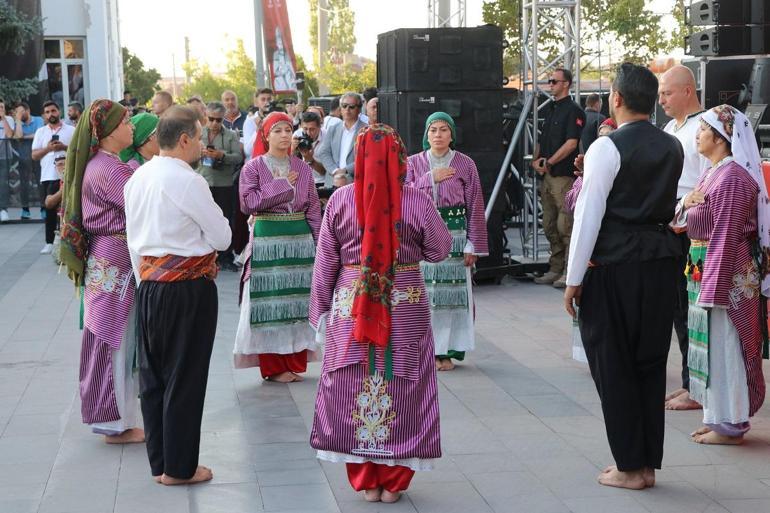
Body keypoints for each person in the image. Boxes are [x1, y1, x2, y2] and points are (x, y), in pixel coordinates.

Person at [309, 124, 452, 503]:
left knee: (351, 382)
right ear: (400, 158)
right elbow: (439, 249)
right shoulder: (417, 200)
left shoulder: (339, 201)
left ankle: (366, 481)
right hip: (404, 302)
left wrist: (320, 313)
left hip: (351, 305)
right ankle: (394, 482)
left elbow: (325, 262)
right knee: (405, 385)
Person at [564, 63, 684, 490]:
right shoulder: (672, 146)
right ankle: (647, 462)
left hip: (615, 265)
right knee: (650, 362)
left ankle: (630, 466)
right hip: (659, 261)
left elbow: (588, 215)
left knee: (613, 364)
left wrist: (573, 278)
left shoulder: (606, 148)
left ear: (616, 98)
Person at [124, 105, 231, 485]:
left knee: (153, 377)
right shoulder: (188, 180)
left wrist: (147, 282)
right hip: (188, 290)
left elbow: (134, 243)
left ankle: (161, 464)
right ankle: (180, 468)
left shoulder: (137, 178)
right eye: (200, 136)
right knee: (185, 376)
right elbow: (222, 237)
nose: (202, 144)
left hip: (150, 286)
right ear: (184, 139)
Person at [674, 105, 768, 445]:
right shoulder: (713, 173)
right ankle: (717, 418)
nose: (697, 136)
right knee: (711, 347)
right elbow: (681, 219)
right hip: (708, 266)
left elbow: (727, 234)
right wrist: (688, 203)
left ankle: (731, 424)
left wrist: (712, 288)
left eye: (702, 130)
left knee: (728, 347)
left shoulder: (730, 179)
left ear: (720, 137)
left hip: (725, 272)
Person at [59, 99, 144, 444]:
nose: (131, 128)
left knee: (114, 337)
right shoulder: (111, 169)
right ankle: (112, 422)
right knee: (113, 338)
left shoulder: (105, 164)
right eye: (126, 122)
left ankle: (116, 418)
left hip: (110, 255)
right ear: (108, 131)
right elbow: (143, 201)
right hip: (115, 257)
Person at [233, 112, 322, 382]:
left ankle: (293, 361)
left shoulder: (303, 168)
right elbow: (248, 204)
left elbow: (313, 207)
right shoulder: (253, 168)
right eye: (278, 130)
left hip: (299, 241)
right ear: (265, 135)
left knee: (296, 301)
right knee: (270, 302)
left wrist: (319, 243)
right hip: (268, 241)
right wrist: (282, 185)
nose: (284, 135)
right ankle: (273, 367)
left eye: (288, 130)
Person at [406, 112, 488, 371]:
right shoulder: (412, 163)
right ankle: (426, 349)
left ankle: (447, 351)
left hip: (456, 236)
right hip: (422, 236)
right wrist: (431, 178)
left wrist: (472, 244)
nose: (438, 135)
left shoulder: (465, 164)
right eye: (433, 130)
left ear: (452, 134)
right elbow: (402, 195)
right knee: (425, 296)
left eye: (443, 130)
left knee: (452, 297)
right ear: (426, 135)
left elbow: (475, 205)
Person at [659, 64, 712, 411]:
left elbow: (709, 183)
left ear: (688, 91)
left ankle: (700, 385)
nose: (661, 99)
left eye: (667, 92)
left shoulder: (706, 128)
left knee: (695, 309)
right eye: (660, 93)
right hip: (669, 225)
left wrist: (687, 213)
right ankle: (688, 379)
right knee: (678, 309)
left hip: (694, 232)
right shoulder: (668, 127)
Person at [532, 68, 585, 288]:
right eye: (549, 81)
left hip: (563, 176)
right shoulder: (551, 109)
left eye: (554, 81)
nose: (550, 84)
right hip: (548, 176)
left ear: (566, 84)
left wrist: (550, 162)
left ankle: (568, 271)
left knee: (566, 226)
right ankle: (555, 267)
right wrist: (536, 161)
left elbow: (571, 143)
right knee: (549, 224)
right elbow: (541, 141)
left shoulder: (573, 111)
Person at [197, 101, 243, 272]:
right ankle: (205, 256)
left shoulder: (231, 135)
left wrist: (221, 155)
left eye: (219, 120)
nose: (215, 123)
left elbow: (238, 157)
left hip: (224, 183)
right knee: (202, 220)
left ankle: (226, 257)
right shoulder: (197, 133)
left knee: (225, 220)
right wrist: (199, 153)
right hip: (203, 181)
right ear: (205, 117)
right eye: (211, 119)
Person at [32, 101, 76, 254]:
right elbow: (34, 155)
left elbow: (78, 149)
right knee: (49, 208)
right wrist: (49, 148)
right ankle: (49, 242)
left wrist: (63, 147)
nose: (51, 114)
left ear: (59, 111)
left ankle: (71, 241)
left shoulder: (71, 130)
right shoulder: (41, 132)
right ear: (44, 115)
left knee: (69, 207)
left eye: (53, 111)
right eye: (47, 112)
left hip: (68, 174)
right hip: (48, 176)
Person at [564, 118, 617, 214]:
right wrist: (585, 176)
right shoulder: (592, 160)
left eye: (609, 135)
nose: (603, 140)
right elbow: (570, 204)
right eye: (601, 135)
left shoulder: (621, 162)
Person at [315, 92, 367, 187]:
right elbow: (323, 152)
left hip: (355, 183)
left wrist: (345, 170)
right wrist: (335, 171)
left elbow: (367, 157)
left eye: (351, 106)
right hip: (332, 182)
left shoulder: (366, 130)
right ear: (340, 109)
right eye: (344, 106)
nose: (347, 109)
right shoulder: (333, 129)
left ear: (359, 109)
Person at [12, 102, 45, 220]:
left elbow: (39, 135)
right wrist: (18, 121)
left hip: (38, 157)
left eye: (21, 112)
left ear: (28, 110)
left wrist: (24, 137)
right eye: (17, 113)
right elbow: (18, 135)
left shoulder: (38, 120)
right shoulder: (18, 123)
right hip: (24, 158)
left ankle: (43, 208)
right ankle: (25, 210)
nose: (19, 114)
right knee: (24, 184)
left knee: (41, 183)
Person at [292, 111, 325, 183]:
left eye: (312, 129)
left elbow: (324, 172)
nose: (308, 133)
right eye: (305, 129)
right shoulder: (297, 134)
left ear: (320, 127)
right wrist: (292, 150)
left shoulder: (327, 137)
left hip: (321, 182)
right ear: (300, 126)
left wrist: (310, 160)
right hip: (302, 181)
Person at [0, 99, 15, 223]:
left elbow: (10, 135)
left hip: (5, 156)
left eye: (2, 107)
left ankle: (3, 210)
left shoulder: (8, 119)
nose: (0, 109)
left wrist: (3, 118)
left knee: (3, 183)